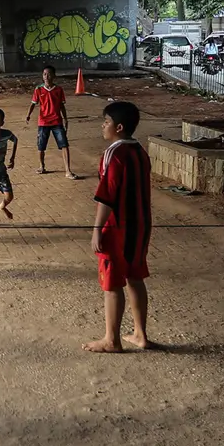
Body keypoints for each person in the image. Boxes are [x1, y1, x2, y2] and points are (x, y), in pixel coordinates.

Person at [84, 101, 154, 354]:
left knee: (112, 283)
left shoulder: (113, 154)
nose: (103, 126)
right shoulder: (140, 152)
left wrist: (96, 230)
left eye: (106, 122)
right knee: (135, 276)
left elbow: (107, 196)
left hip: (117, 227)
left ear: (119, 127)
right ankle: (140, 334)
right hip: (141, 225)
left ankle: (111, 339)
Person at [25, 66, 77, 178]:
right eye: (44, 74)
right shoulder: (38, 89)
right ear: (42, 76)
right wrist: (28, 115)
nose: (46, 76)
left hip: (57, 121)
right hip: (43, 122)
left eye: (49, 74)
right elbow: (33, 103)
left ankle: (68, 170)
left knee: (64, 145)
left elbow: (62, 105)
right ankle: (42, 166)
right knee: (41, 146)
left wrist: (65, 118)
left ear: (54, 76)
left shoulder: (58, 90)